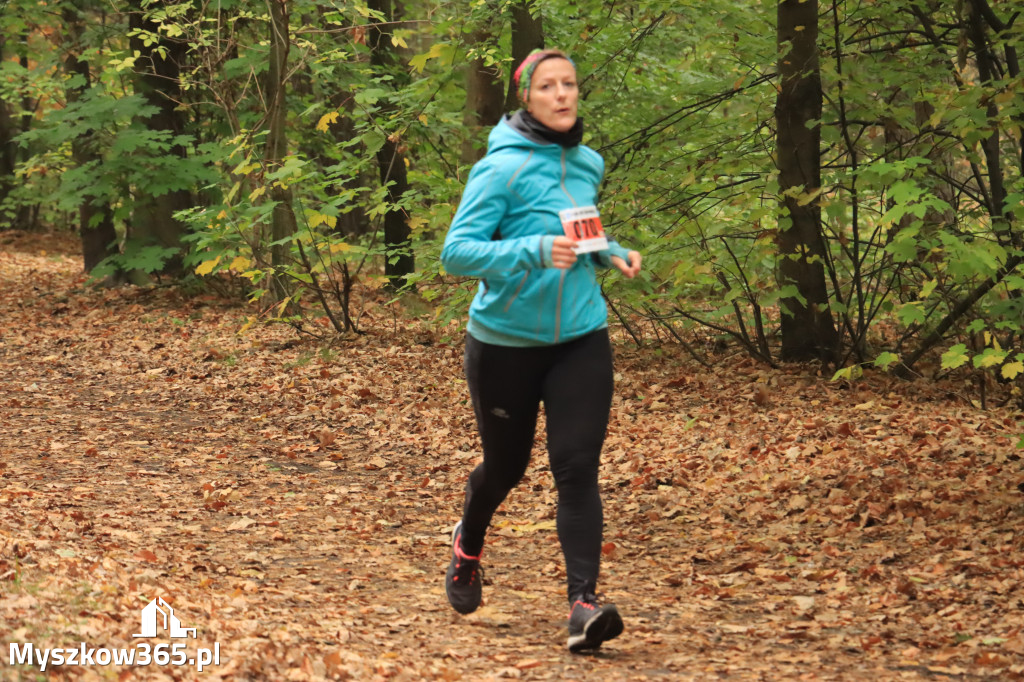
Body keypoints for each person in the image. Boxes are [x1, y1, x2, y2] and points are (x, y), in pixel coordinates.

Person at [440, 48, 642, 653]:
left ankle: (583, 605)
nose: (562, 95)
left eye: (570, 85)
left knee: (577, 468)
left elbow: (579, 226)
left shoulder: (587, 163)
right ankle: (467, 544)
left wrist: (610, 251)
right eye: (548, 86)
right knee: (506, 469)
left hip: (580, 337)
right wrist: (531, 250)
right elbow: (457, 254)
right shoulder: (497, 171)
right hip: (505, 345)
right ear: (526, 97)